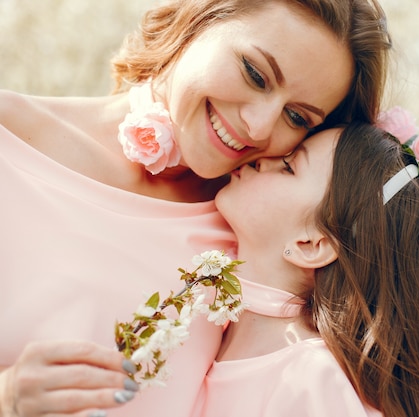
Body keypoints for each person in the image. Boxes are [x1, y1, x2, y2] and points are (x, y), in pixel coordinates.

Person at [0, 0, 391, 415]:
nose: (258, 126)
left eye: (296, 116)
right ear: (197, 19)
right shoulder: (11, 139)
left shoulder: (263, 233)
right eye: (255, 74)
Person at [190, 120, 419, 416]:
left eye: (289, 166)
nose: (263, 158)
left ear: (311, 245)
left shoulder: (312, 385)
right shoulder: (204, 320)